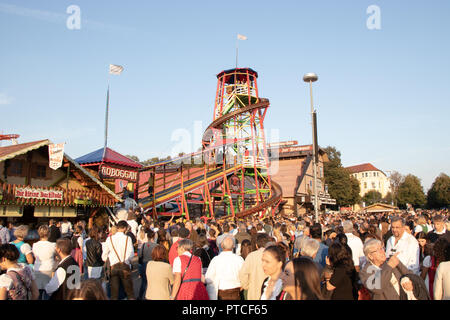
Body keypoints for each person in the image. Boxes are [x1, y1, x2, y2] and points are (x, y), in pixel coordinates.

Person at [101, 220, 135, 300]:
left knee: (114, 294)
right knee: (129, 293)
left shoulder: (110, 239)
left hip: (113, 267)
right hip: (125, 266)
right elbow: (131, 254)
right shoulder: (127, 238)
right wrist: (127, 260)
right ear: (125, 228)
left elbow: (104, 256)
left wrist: (109, 259)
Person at [205, 236, 244, 300]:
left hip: (221, 292)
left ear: (222, 246)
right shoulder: (239, 259)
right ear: (233, 246)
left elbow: (208, 278)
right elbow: (244, 276)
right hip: (236, 291)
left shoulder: (216, 260)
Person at [239, 233, 271, 300]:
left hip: (254, 290)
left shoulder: (251, 256)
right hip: (269, 291)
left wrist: (246, 286)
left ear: (256, 245)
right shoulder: (272, 256)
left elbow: (243, 273)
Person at [32, 225, 57, 299]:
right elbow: (56, 257)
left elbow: (35, 256)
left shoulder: (35, 245)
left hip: (37, 269)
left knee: (38, 292)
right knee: (48, 292)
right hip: (49, 268)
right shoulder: (53, 245)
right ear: (49, 233)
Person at [138, 229, 158, 299]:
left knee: (144, 282)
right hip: (154, 265)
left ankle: (140, 296)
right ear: (154, 237)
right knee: (153, 283)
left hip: (145, 265)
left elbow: (140, 255)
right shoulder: (156, 246)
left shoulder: (143, 245)